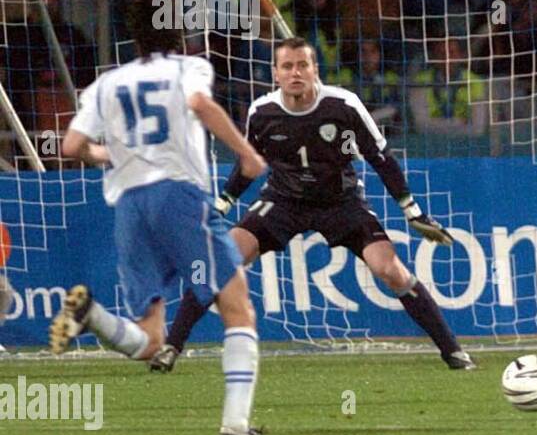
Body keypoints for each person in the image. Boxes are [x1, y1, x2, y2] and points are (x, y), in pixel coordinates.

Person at [152, 38, 477, 374]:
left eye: (303, 65)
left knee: (389, 270)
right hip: (282, 199)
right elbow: (248, 165)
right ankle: (171, 346)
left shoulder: (343, 105)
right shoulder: (262, 112)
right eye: (288, 66)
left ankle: (452, 351)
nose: (296, 72)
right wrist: (220, 207)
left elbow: (381, 158)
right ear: (275, 74)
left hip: (341, 201)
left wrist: (412, 212)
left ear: (315, 70)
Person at [50, 0, 275, 435]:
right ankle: (234, 423)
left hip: (130, 208)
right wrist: (248, 156)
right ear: (175, 28)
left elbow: (70, 146)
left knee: (151, 340)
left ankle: (91, 314)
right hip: (179, 197)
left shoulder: (106, 84)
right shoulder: (188, 68)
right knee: (238, 309)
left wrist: (106, 153)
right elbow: (202, 106)